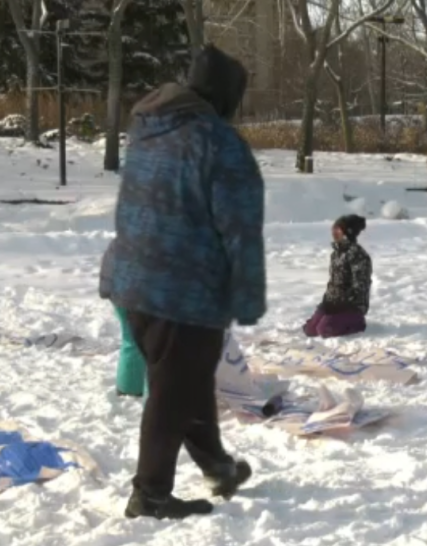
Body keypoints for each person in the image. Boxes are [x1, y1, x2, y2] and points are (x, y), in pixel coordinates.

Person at [99, 44, 265, 520]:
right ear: (226, 96)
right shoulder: (219, 142)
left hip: (130, 276)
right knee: (174, 388)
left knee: (185, 377)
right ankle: (149, 494)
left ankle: (217, 466)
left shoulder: (151, 126)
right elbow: (240, 228)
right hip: (179, 287)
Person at [303, 215, 372, 339]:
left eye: (338, 230)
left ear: (348, 233)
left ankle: (357, 323)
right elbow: (334, 282)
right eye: (333, 230)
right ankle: (332, 319)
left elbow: (360, 286)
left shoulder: (358, 255)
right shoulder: (336, 254)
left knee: (324, 329)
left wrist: (342, 302)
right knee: (310, 330)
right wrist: (327, 302)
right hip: (334, 302)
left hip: (351, 306)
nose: (334, 233)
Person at [99, 241, 147, 399]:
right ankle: (138, 390)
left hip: (119, 294)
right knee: (144, 343)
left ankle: (130, 387)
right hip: (134, 297)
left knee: (132, 339)